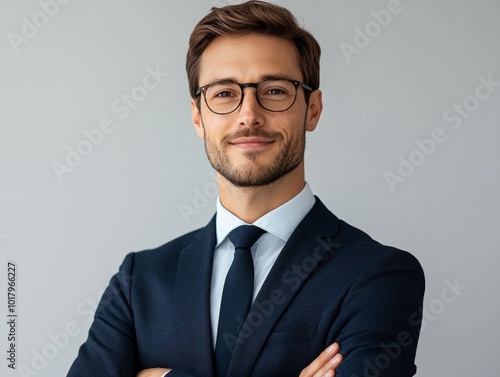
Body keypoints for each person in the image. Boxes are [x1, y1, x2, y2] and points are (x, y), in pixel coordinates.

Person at [67, 1, 425, 376]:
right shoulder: (139, 281)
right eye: (224, 93)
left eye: (274, 90)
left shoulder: (377, 276)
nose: (249, 114)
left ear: (313, 109)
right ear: (197, 116)